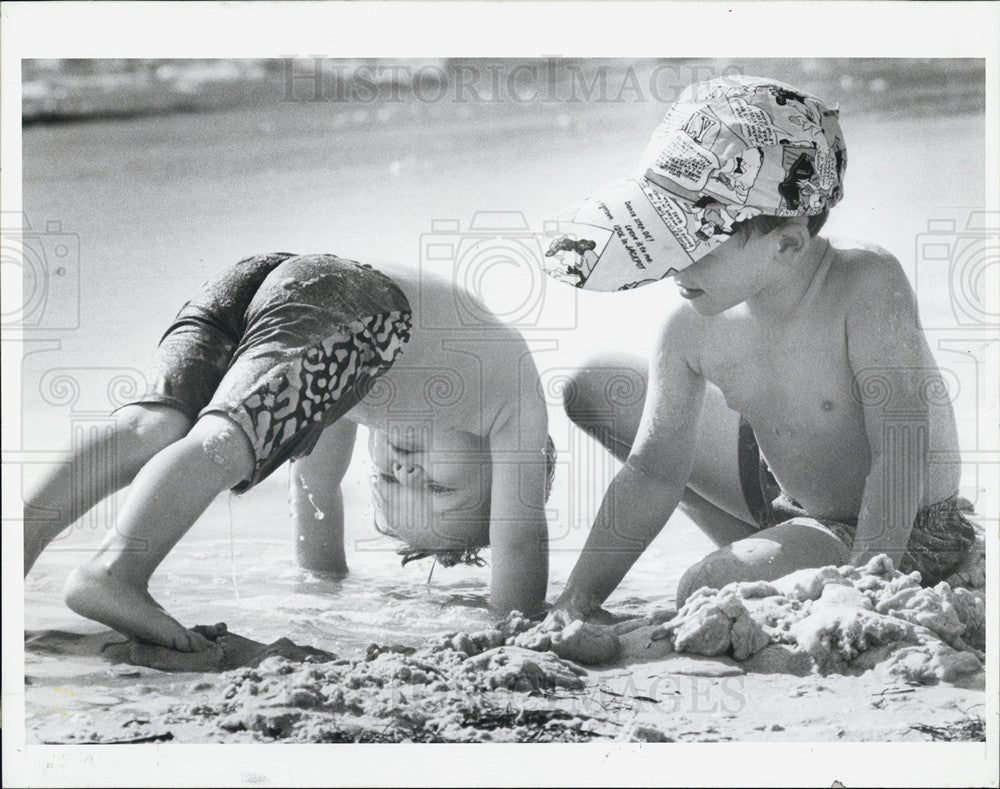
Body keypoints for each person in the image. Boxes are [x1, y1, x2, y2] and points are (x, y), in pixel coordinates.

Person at [542, 75, 977, 622]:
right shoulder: (689, 329)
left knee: (703, 587)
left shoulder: (865, 285)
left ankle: (778, 556)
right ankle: (776, 547)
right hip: (794, 506)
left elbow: (901, 447)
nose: (671, 263)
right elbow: (654, 472)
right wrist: (576, 599)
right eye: (663, 236)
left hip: (903, 530)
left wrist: (866, 585)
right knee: (596, 386)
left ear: (788, 244)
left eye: (695, 245)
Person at [24, 252, 552, 652]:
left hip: (260, 278)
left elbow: (315, 492)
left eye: (390, 483)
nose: (403, 469)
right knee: (227, 444)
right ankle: (114, 573)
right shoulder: (515, 405)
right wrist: (515, 629)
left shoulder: (350, 383)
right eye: (438, 486)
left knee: (152, 426)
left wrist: (321, 589)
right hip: (361, 304)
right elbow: (520, 538)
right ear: (504, 471)